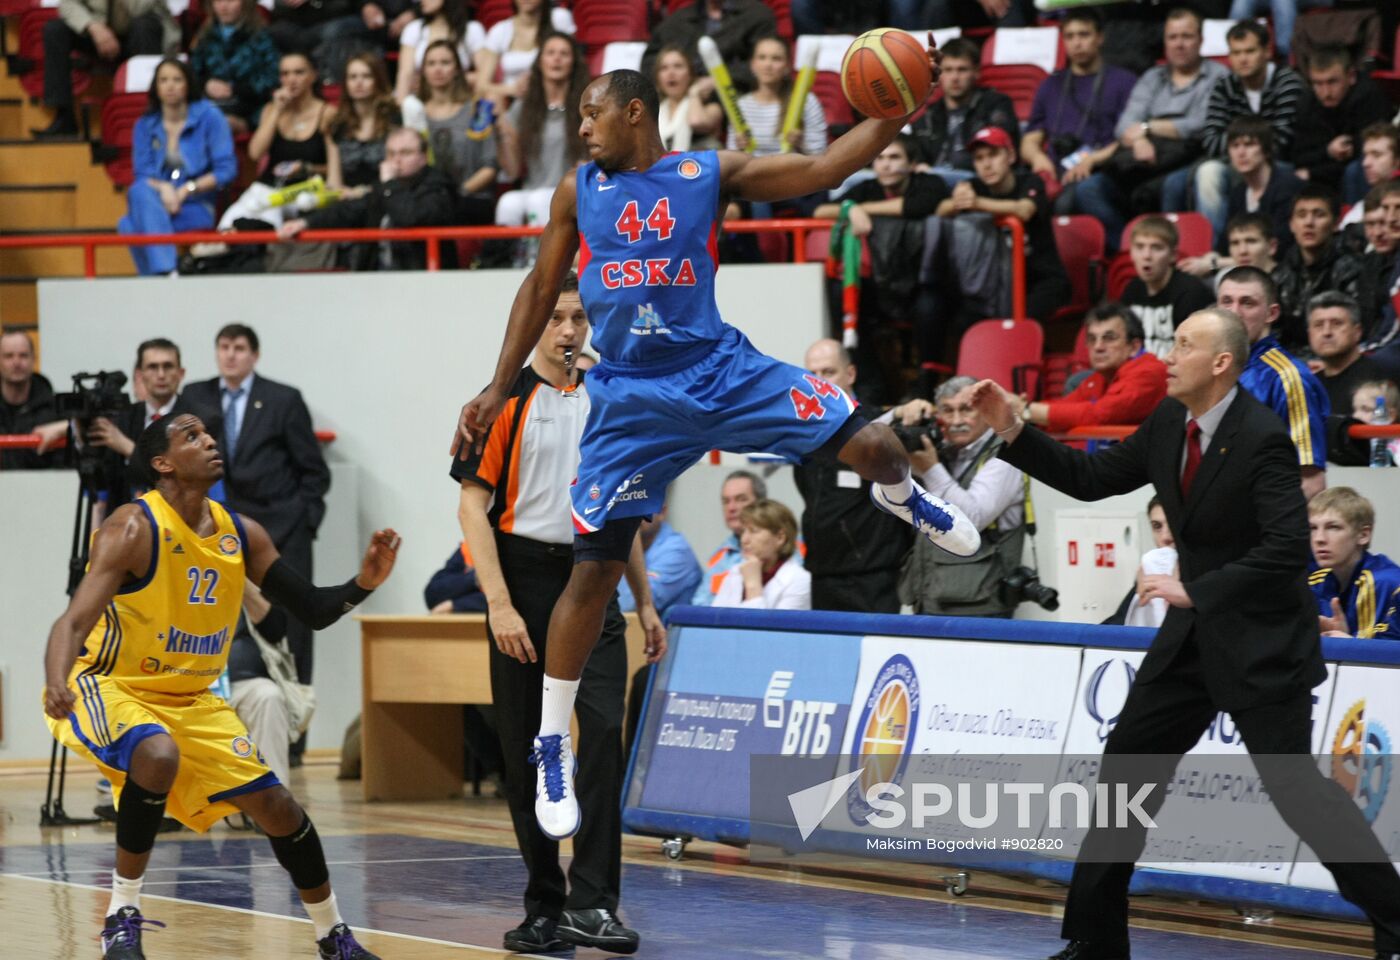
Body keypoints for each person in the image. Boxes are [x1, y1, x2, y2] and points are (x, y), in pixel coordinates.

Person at [453, 56, 981, 842]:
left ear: (635, 113)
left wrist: (904, 102)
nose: (582, 128)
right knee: (591, 576)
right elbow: (538, 288)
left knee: (880, 448)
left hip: (721, 369)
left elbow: (825, 164)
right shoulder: (578, 192)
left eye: (593, 113)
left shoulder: (705, 171)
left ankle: (902, 497)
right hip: (631, 395)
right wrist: (498, 384)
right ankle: (551, 740)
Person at [970, 307, 1400, 960]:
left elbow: (1289, 549)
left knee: (1298, 793)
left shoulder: (1261, 438)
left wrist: (1195, 588)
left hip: (1262, 643)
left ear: (1221, 363)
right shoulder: (1171, 420)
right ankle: (1096, 942)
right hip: (1192, 637)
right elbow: (1091, 480)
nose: (1169, 357)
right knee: (1125, 776)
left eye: (1186, 346)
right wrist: (1015, 429)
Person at [42, 413, 399, 960]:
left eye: (208, 433)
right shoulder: (132, 528)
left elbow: (314, 610)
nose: (208, 440)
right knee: (157, 753)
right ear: (162, 463)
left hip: (192, 699)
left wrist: (364, 582)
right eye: (191, 437)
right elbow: (70, 623)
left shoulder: (242, 532)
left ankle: (335, 938)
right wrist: (54, 681)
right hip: (111, 683)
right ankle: (121, 916)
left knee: (280, 808)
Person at [453, 273, 660, 955]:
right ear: (535, 323)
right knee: (524, 755)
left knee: (601, 733)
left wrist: (646, 600)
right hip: (522, 579)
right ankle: (544, 902)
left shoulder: (613, 393)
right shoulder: (500, 400)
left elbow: (624, 506)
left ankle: (595, 903)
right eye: (557, 318)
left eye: (579, 318)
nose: (570, 330)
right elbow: (471, 508)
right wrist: (501, 604)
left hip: (594, 577)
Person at [183, 324, 331, 706]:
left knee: (294, 628)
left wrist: (305, 522)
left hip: (284, 534)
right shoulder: (196, 396)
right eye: (224, 347)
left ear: (255, 355)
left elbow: (314, 471)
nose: (231, 354)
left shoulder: (282, 398)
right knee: (222, 624)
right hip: (220, 533)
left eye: (240, 348)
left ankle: (295, 729)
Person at [1072, 7, 1227, 250]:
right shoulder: (1151, 77)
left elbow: (1200, 124)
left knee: (1172, 185)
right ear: (1164, 41)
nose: (1179, 44)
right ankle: (1129, 250)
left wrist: (1147, 128)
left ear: (1200, 39)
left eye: (1186, 36)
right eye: (1173, 37)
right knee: (1088, 189)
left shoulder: (1218, 76)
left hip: (1189, 159)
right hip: (1142, 160)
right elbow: (1124, 126)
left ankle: (1175, 257)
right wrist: (1139, 139)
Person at [814, 135, 950, 394]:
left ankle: (926, 385)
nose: (886, 165)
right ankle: (869, 384)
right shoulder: (866, 187)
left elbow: (921, 205)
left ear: (912, 164)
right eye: (880, 159)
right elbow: (820, 211)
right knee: (839, 293)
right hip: (879, 283)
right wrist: (850, 208)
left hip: (921, 281)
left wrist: (862, 208)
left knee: (931, 303)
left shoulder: (928, 183)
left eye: (894, 157)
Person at [793, 339, 913, 613]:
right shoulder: (804, 433)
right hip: (821, 573)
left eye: (828, 372)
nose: (819, 382)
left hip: (871, 577)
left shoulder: (877, 428)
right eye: (812, 375)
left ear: (850, 375)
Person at [902, 375, 1026, 618]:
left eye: (966, 409)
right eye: (948, 411)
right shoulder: (940, 452)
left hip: (980, 608)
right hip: (930, 598)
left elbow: (971, 519)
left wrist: (930, 469)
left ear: (985, 411)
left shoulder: (1005, 454)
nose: (957, 420)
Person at [933, 125, 1072, 327]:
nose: (986, 165)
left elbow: (1025, 210)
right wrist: (957, 201)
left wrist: (976, 203)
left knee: (1021, 322)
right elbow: (940, 211)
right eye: (979, 158)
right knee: (956, 317)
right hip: (996, 281)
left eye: (993, 155)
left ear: (1011, 156)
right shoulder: (974, 186)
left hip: (1042, 279)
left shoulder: (1030, 181)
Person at [119, 59, 238, 277]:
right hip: (158, 203)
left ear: (188, 84)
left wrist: (186, 190)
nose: (170, 86)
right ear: (156, 86)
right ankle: (167, 272)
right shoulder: (145, 124)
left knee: (128, 225)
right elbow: (143, 173)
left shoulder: (210, 117)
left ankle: (158, 278)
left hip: (195, 204)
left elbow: (226, 170)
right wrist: (165, 189)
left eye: (177, 80)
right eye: (163, 80)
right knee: (139, 191)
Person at [1216, 266, 1329, 498]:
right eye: (1227, 301)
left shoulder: (1287, 377)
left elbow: (1311, 481)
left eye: (1247, 303)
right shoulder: (1210, 368)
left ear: (1272, 313)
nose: (1234, 312)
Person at [1189, 19, 1305, 242]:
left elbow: (1283, 139)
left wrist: (1237, 145)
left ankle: (1222, 249)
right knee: (1185, 180)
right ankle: (1216, 247)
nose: (1242, 59)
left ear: (1267, 51)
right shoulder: (1224, 86)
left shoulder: (1287, 82)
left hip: (1282, 164)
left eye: (1250, 51)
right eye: (1236, 52)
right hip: (1235, 164)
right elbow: (1211, 140)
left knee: (1208, 173)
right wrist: (1248, 147)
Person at [278, 126, 457, 268]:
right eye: (391, 153)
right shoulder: (385, 186)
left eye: (406, 153)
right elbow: (351, 209)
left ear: (423, 157)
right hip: (378, 277)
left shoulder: (438, 186)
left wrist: (389, 185)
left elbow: (410, 217)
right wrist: (305, 223)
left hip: (422, 278)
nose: (396, 160)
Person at [1019, 8, 1137, 213]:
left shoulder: (1124, 81)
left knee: (1073, 198)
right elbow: (1030, 140)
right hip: (1057, 170)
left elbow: (1130, 137)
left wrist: (1093, 159)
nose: (1077, 43)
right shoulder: (1050, 85)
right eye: (1070, 36)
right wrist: (1039, 159)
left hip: (1103, 168)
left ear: (1100, 38)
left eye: (1084, 34)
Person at [218, 52, 339, 232]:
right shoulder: (271, 110)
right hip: (271, 188)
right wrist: (276, 111)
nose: (291, 79)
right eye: (285, 74)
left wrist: (306, 168)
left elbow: (337, 169)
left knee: (268, 217)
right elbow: (255, 153)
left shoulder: (328, 114)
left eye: (299, 73)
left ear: (313, 76)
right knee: (229, 223)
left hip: (309, 191)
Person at [33, 0, 177, 138]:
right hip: (97, 33)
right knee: (55, 30)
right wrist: (93, 26)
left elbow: (139, 9)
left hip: (136, 33)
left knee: (145, 26)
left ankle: (150, 114)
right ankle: (64, 118)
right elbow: (67, 4)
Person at [1017, 304, 1168, 432]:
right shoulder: (1100, 378)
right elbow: (1063, 407)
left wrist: (1027, 411)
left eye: (1109, 338)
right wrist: (1020, 410)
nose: (1098, 347)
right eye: (1092, 339)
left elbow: (1099, 415)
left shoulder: (1149, 373)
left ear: (1134, 347)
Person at [83, 338, 198, 505]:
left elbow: (186, 474)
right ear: (139, 375)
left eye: (167, 366)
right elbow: (106, 477)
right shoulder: (123, 416)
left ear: (181, 373)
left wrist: (127, 448)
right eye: (152, 367)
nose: (161, 374)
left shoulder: (197, 418)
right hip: (128, 514)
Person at [495, 33, 590, 233]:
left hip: (571, 192)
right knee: (508, 202)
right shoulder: (523, 108)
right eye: (551, 53)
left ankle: (541, 262)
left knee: (540, 201)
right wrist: (501, 131)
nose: (557, 59)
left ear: (573, 63)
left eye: (564, 54)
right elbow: (512, 171)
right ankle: (508, 261)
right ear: (540, 62)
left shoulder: (586, 107)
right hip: (531, 190)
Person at [401, 41, 497, 225]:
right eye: (431, 63)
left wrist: (456, 193)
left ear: (457, 69)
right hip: (427, 201)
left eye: (445, 63)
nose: (438, 69)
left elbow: (490, 168)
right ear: (423, 71)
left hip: (471, 199)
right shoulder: (413, 112)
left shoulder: (478, 109)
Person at [908, 37, 1018, 188]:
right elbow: (915, 155)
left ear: (977, 72)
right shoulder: (930, 114)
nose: (955, 78)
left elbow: (999, 149)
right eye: (948, 70)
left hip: (978, 180)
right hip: (933, 185)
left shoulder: (995, 104)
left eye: (962, 69)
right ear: (938, 74)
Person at [1291, 45, 1392, 201]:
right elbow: (1298, 155)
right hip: (1323, 173)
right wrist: (1327, 151)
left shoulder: (1369, 98)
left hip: (1350, 173)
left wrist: (1314, 171)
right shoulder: (1306, 103)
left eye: (1332, 82)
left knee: (1355, 170)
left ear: (1351, 76)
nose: (1325, 92)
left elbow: (1365, 157)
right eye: (1318, 83)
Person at [1272, 185, 1365, 353]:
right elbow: (1274, 333)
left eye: (1319, 214)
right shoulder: (1280, 275)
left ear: (1336, 224)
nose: (1309, 222)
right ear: (1292, 225)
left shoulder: (1352, 269)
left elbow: (1353, 330)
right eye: (1301, 215)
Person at [1309, 486, 1400, 640]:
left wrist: (1348, 643)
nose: (1319, 538)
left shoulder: (1383, 582)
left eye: (1333, 527)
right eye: (1313, 528)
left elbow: (1379, 660)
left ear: (1363, 535)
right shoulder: (1317, 581)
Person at [1119, 216, 1215, 359]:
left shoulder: (1191, 292)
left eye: (1156, 247)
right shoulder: (1132, 290)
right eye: (1140, 247)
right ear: (1131, 253)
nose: (1146, 256)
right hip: (1139, 371)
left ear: (1173, 255)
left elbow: (1197, 352)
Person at [641, 0, 775, 94]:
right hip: (684, 97)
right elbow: (650, 61)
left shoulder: (757, 15)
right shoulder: (679, 20)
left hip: (735, 96)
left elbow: (767, 63)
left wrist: (719, 80)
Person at [727, 37, 827, 160]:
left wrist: (801, 143)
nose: (768, 65)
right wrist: (738, 148)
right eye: (762, 57)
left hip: (792, 173)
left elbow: (821, 155)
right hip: (751, 175)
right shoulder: (741, 105)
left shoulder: (807, 101)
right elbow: (731, 156)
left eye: (776, 59)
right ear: (752, 64)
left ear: (787, 66)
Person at [189, 0, 281, 135]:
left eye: (231, 0)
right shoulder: (204, 37)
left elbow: (273, 78)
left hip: (249, 110)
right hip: (210, 106)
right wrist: (206, 84)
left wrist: (235, 89)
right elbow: (190, 74)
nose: (223, 6)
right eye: (218, 1)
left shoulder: (263, 37)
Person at [1216, 117, 1304, 258]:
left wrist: (1216, 264)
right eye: (1234, 146)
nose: (1241, 153)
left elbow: (1281, 247)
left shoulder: (1288, 187)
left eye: (1249, 145)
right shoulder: (1239, 193)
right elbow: (1224, 243)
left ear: (1266, 150)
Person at [713, 499, 810, 610]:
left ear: (780, 538)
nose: (744, 540)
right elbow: (714, 621)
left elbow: (766, 627)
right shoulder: (736, 572)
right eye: (743, 531)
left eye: (753, 531)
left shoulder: (799, 580)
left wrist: (753, 585)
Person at [474, 0, 575, 105]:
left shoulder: (559, 18)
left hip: (555, 97)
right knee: (492, 99)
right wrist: (513, 89)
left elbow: (574, 63)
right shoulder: (500, 30)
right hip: (513, 101)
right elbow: (481, 85)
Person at [693, 469, 769, 606]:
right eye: (726, 501)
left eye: (741, 499)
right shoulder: (720, 556)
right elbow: (699, 605)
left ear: (761, 503)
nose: (731, 508)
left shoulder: (781, 547)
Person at [616, 503, 702, 623]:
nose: (634, 516)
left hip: (671, 638)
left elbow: (630, 604)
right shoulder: (627, 545)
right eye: (629, 509)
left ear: (662, 512)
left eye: (641, 508)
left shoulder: (677, 550)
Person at [328, 52, 402, 191]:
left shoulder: (394, 119)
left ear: (378, 80)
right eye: (352, 77)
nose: (358, 82)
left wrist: (362, 194)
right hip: (347, 201)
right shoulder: (338, 124)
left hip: (386, 197)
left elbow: (400, 174)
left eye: (367, 76)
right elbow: (333, 180)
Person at [1102, 496, 1177, 628]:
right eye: (1157, 526)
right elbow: (1119, 624)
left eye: (1174, 524)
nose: (1165, 537)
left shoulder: (1212, 578)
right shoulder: (1147, 572)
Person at [1308, 291, 1385, 419]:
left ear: (1357, 332)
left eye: (1337, 323)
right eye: (1319, 325)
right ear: (1309, 334)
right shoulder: (1307, 386)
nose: (1326, 332)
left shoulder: (1380, 380)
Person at [391, 0, 483, 104]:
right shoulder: (414, 29)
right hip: (418, 100)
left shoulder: (472, 30)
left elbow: (484, 76)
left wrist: (444, 78)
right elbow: (404, 75)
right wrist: (400, 107)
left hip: (458, 100)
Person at [0, 328, 67, 469]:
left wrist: (65, 427)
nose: (16, 362)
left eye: (23, 355)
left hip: (43, 488)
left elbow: (90, 428)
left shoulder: (53, 410)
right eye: (8, 356)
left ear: (34, 359)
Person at [264, 0, 371, 84]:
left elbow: (344, 7)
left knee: (333, 31)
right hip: (300, 25)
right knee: (273, 32)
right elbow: (277, 11)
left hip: (338, 19)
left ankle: (331, 82)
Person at [653, 45, 722, 154]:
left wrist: (694, 92)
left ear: (690, 74)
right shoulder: (653, 112)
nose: (671, 73)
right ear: (657, 77)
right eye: (664, 68)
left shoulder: (710, 106)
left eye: (678, 66)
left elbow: (696, 121)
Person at [1180, 211, 1278, 288]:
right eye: (1235, 243)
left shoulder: (1289, 281)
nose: (1242, 251)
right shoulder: (1225, 280)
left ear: (1272, 246)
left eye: (1251, 241)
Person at [1339, 124, 1400, 230]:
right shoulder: (1360, 207)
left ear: (1397, 160)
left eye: (1376, 155)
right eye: (1365, 155)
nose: (1365, 163)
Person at [424, 542, 488, 613]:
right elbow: (433, 595)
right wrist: (475, 578)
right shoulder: (470, 548)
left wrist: (454, 605)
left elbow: (499, 599)